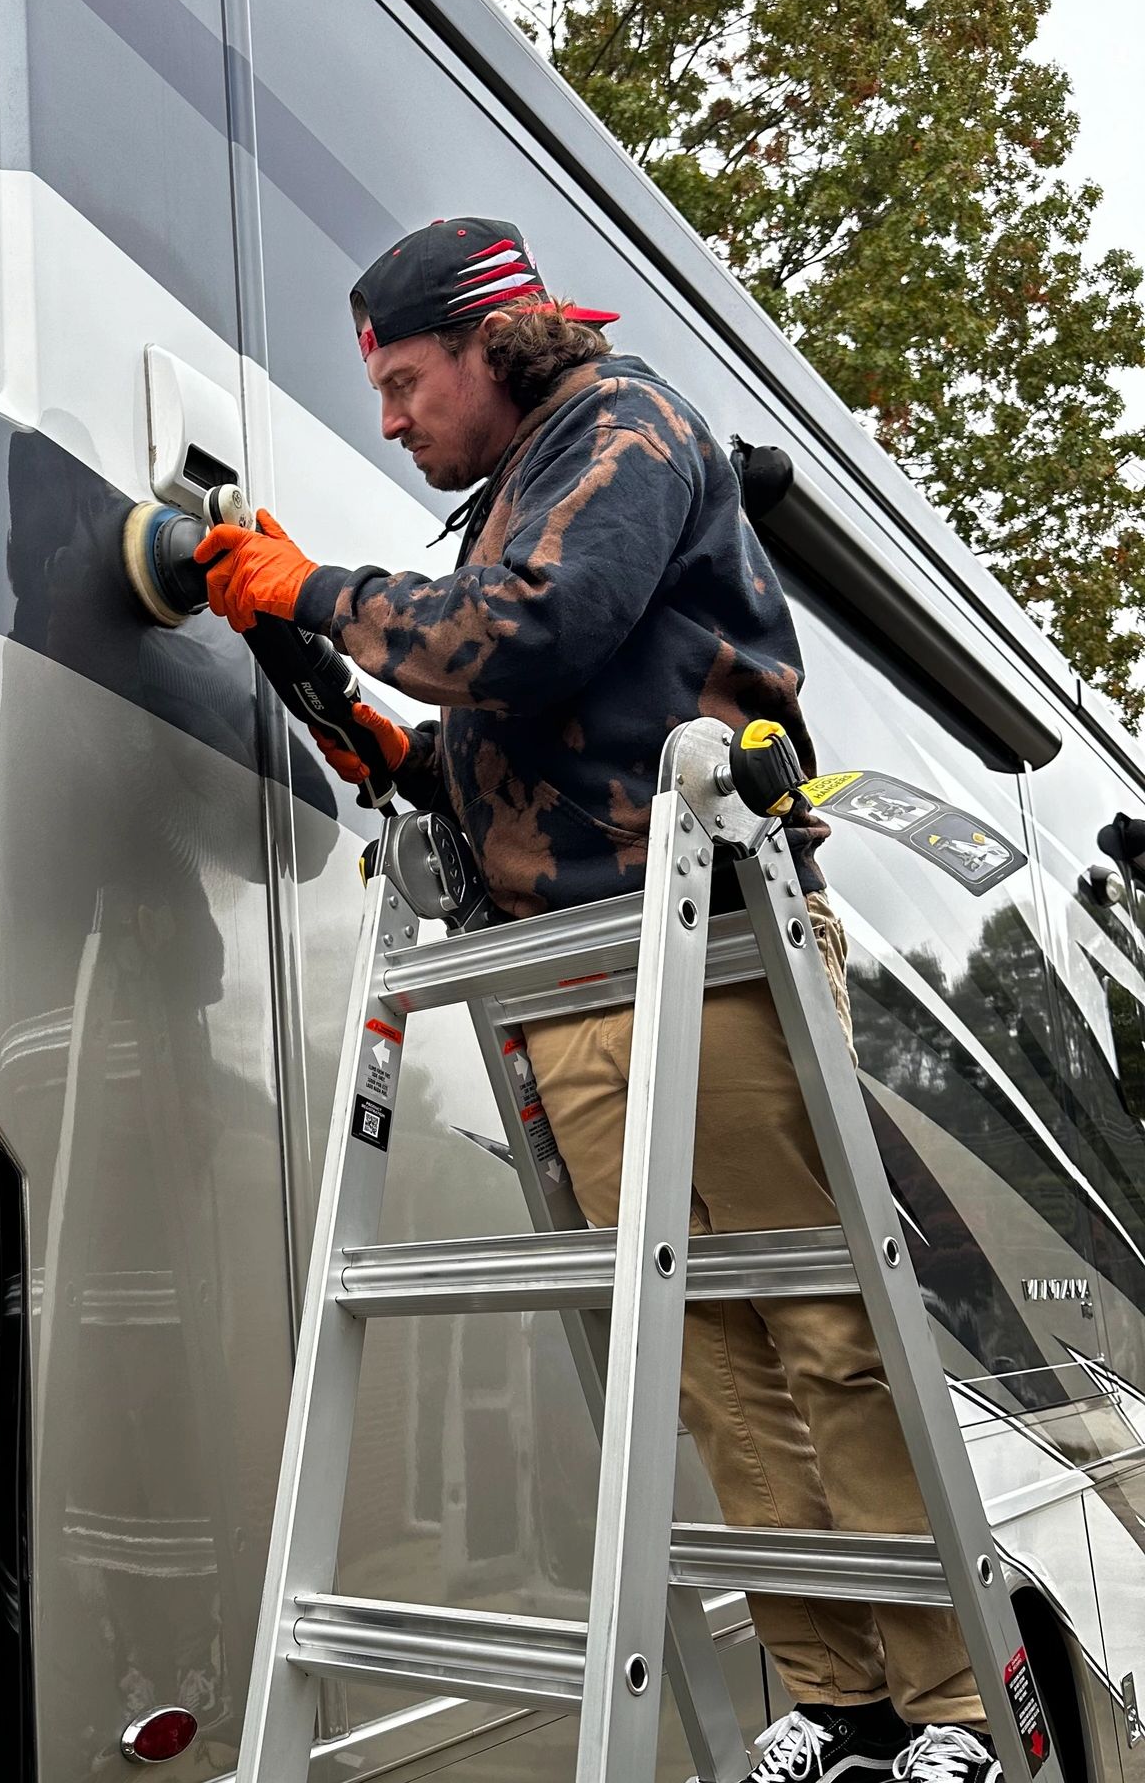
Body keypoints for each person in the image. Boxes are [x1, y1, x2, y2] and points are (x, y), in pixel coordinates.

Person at [193, 217, 1003, 1783]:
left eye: (407, 379)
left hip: (710, 947)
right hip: (570, 970)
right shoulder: (509, 499)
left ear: (493, 345)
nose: (393, 417)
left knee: (826, 1324)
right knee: (705, 1354)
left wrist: (312, 586)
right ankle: (839, 1701)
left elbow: (527, 634)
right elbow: (477, 744)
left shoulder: (624, 430)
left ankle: (953, 1706)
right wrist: (347, 713)